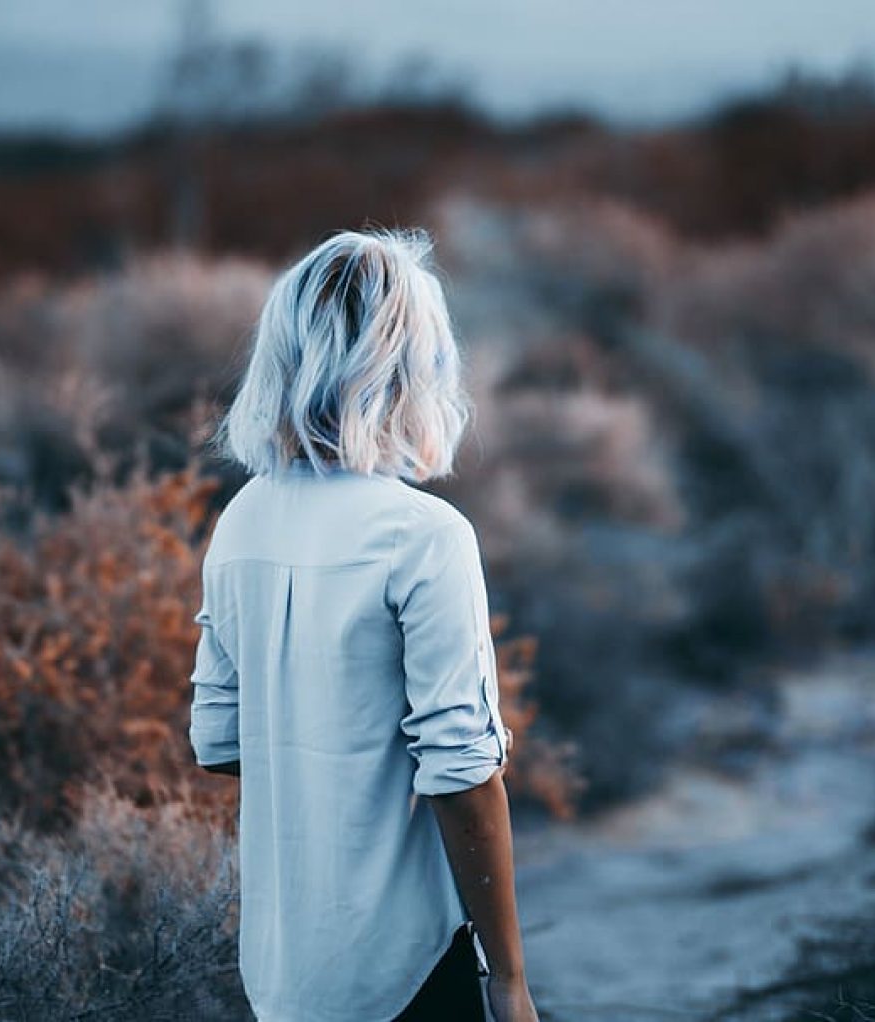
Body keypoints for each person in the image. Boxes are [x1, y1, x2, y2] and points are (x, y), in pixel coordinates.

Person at [187, 227, 540, 1022]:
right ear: (414, 365)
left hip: (282, 974)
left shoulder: (240, 522)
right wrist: (510, 982)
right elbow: (463, 775)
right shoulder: (425, 535)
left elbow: (217, 743)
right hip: (407, 970)